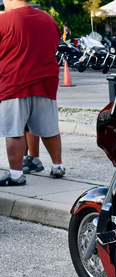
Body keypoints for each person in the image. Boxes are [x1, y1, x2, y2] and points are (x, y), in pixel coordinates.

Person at [0, 0, 65, 186]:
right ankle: (58, 166)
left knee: (14, 131)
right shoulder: (48, 20)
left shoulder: (4, 21)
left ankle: (16, 175)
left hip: (14, 82)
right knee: (50, 129)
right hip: (45, 81)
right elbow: (55, 45)